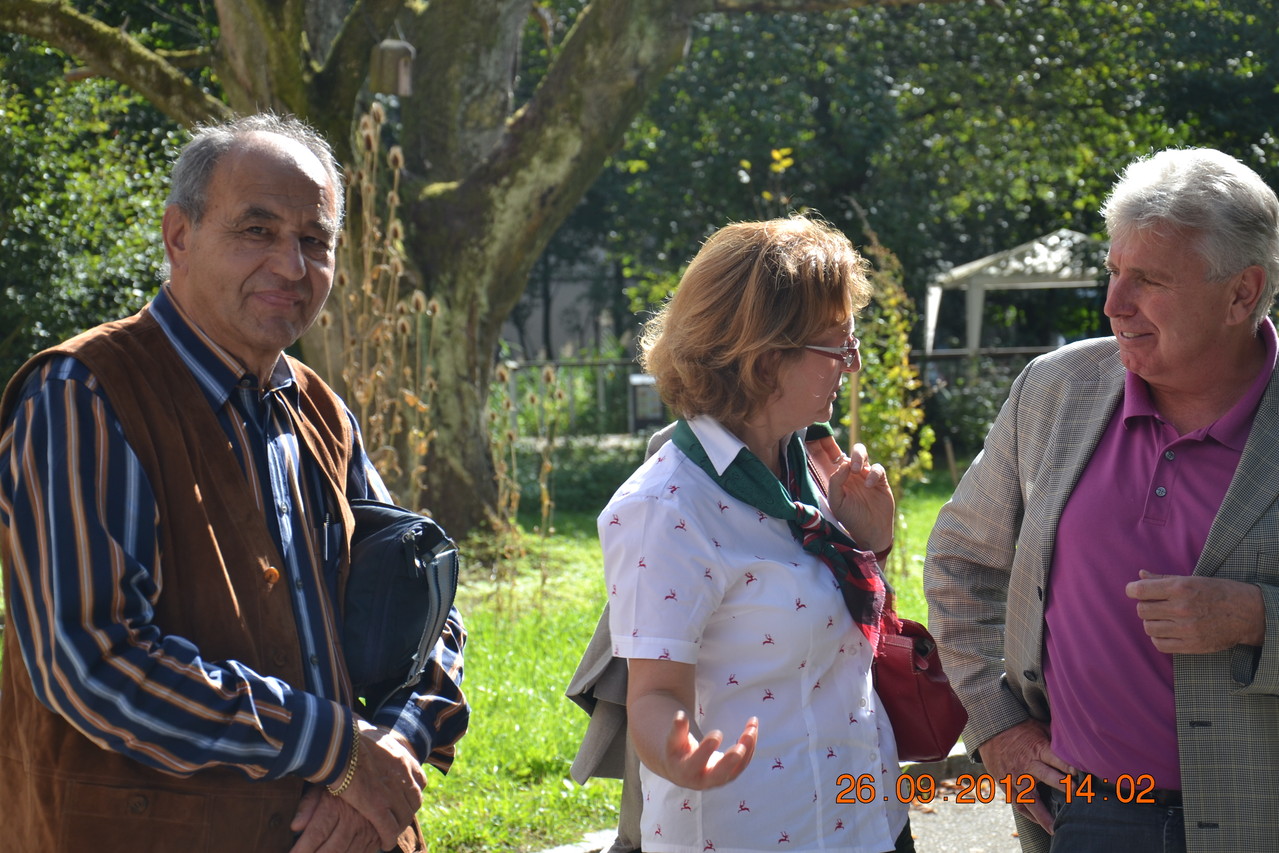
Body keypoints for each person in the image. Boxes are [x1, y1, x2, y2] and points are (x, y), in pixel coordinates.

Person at [0, 113, 468, 853]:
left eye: (315, 241)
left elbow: (427, 608)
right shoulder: (84, 395)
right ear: (178, 237)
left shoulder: (318, 407)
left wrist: (396, 747)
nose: (291, 264)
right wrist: (337, 747)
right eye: (257, 230)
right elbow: (92, 659)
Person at [924, 147, 1279, 853]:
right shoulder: (1054, 388)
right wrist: (996, 725)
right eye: (1114, 271)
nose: (1113, 303)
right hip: (1088, 813)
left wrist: (1256, 617)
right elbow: (961, 562)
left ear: (1242, 293)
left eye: (1147, 279)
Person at [599, 216, 912, 853]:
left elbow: (838, 632)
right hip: (756, 830)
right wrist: (680, 754)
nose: (851, 366)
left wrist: (871, 544)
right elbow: (655, 694)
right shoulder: (666, 507)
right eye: (837, 347)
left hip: (867, 818)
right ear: (764, 357)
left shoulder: (808, 462)